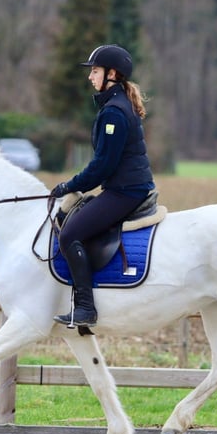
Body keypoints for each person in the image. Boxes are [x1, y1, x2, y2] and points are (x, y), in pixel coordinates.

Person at [50, 44, 156, 328]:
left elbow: (102, 166)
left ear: (112, 74)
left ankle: (85, 307)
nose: (90, 77)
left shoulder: (114, 112)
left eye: (94, 71)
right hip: (126, 186)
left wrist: (69, 185)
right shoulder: (118, 103)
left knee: (70, 235)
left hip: (125, 191)